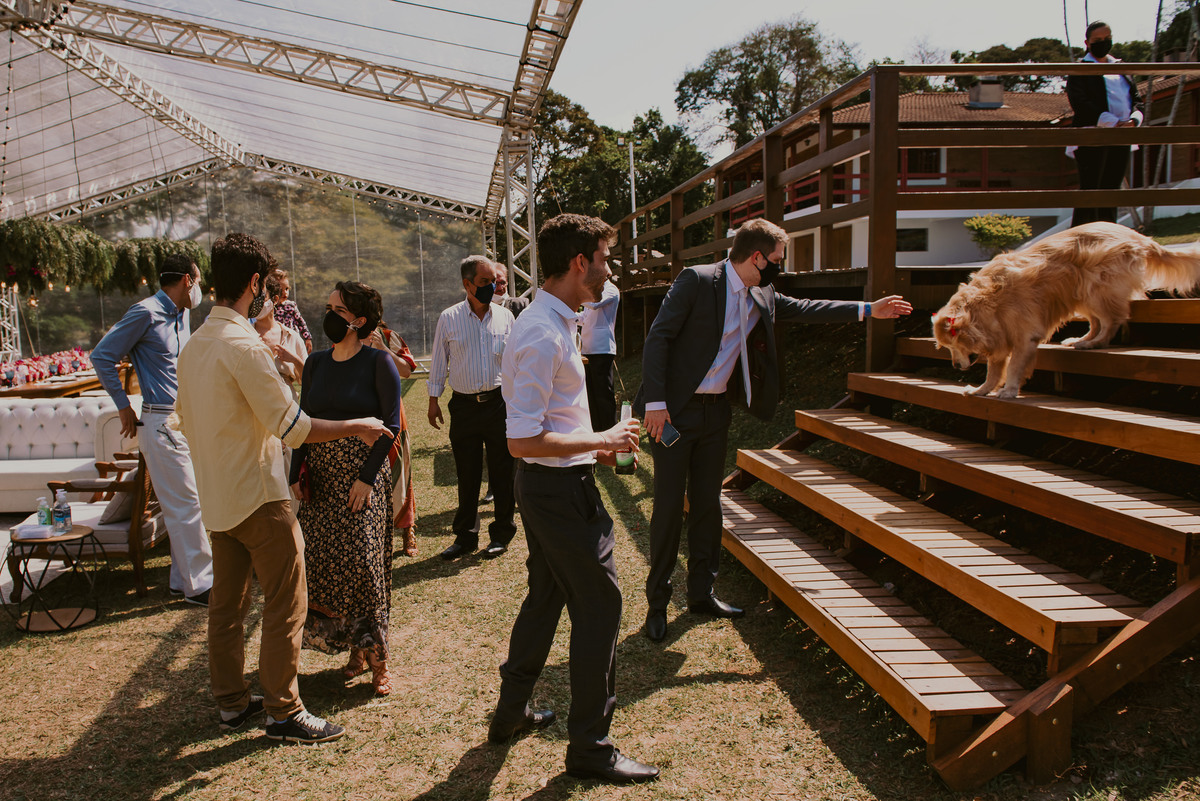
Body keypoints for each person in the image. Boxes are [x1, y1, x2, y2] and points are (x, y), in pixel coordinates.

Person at [634, 218, 913, 643]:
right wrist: (655, 404)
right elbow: (659, 338)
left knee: (708, 505)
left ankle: (701, 594)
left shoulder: (762, 291)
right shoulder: (697, 280)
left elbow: (805, 308)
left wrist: (867, 310)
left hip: (715, 415)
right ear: (757, 257)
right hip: (673, 415)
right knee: (670, 508)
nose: (780, 269)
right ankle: (657, 603)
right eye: (777, 260)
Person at [177, 232, 388, 744]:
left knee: (226, 608)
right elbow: (293, 427)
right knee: (287, 602)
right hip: (259, 498)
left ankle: (231, 702)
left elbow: (184, 421)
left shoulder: (195, 345)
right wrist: (357, 424)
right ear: (256, 283)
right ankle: (283, 710)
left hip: (217, 499)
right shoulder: (244, 345)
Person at [491, 213, 659, 785]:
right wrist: (601, 439)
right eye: (605, 260)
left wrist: (597, 451)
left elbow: (550, 423)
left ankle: (509, 715)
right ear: (579, 263)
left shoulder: (558, 319)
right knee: (602, 605)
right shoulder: (541, 331)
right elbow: (520, 438)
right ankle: (590, 748)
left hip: (555, 482)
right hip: (555, 491)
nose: (609, 271)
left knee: (545, 598)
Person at [289, 281, 403, 696]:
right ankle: (353, 651)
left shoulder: (378, 363)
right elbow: (303, 423)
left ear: (357, 320)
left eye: (336, 309)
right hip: (319, 480)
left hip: (362, 479)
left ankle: (378, 662)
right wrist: (296, 473)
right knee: (324, 567)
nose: (328, 314)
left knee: (363, 566)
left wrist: (366, 478)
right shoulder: (315, 364)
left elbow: (390, 427)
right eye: (328, 307)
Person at [91, 253, 214, 606]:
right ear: (188, 280)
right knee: (186, 503)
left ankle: (181, 581)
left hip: (184, 420)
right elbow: (102, 356)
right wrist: (123, 405)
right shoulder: (144, 312)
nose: (201, 289)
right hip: (159, 421)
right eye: (199, 281)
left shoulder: (183, 314)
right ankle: (202, 586)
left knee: (188, 503)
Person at [427, 256, 517, 560]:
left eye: (494, 281)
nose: (492, 287)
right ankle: (465, 537)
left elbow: (515, 362)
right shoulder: (449, 318)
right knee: (467, 475)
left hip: (499, 404)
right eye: (484, 282)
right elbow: (439, 360)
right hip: (464, 407)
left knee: (503, 471)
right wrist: (432, 400)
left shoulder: (506, 318)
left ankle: (502, 533)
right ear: (467, 285)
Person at [1066, 20, 1143, 227]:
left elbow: (1137, 99)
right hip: (1093, 134)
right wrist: (1112, 122)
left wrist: (1134, 120)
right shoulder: (1080, 69)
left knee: (1111, 189)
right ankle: (1081, 240)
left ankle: (1107, 239)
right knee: (1091, 189)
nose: (1103, 43)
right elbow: (1080, 102)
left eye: (1107, 39)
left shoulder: (1121, 67)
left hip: (1123, 136)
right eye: (1097, 40)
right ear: (1087, 42)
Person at [366, 320, 419, 556]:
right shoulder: (348, 338)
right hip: (362, 413)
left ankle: (408, 529)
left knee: (399, 467)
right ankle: (376, 533)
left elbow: (407, 370)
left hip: (392, 414)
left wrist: (384, 349)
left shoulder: (388, 336)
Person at [579, 275, 620, 432]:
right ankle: (595, 430)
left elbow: (595, 305)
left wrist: (573, 297)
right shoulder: (591, 292)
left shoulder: (611, 290)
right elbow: (584, 317)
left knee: (603, 394)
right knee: (591, 393)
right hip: (587, 349)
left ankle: (610, 429)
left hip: (602, 349)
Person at [254, 273, 307, 393]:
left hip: (287, 407)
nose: (256, 303)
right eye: (253, 298)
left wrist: (295, 360)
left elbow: (308, 379)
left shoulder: (291, 337)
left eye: (262, 298)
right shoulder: (246, 334)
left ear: (275, 299)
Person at [271, 268, 314, 353]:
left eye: (287, 289)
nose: (285, 293)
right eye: (281, 290)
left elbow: (300, 322)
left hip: (291, 341)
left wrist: (307, 338)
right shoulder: (269, 307)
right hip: (276, 341)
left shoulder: (290, 306)